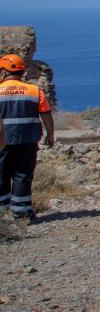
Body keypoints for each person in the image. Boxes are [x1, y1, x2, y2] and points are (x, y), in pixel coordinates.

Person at [0, 54, 56, 222]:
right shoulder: (34, 90)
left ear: (3, 71)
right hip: (28, 140)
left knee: (1, 175)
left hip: (2, 141)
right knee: (23, 175)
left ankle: (2, 212)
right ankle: (22, 213)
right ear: (22, 71)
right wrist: (50, 135)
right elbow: (46, 115)